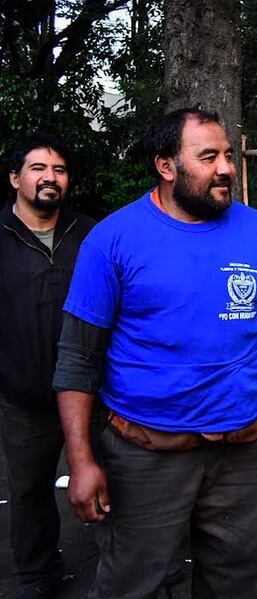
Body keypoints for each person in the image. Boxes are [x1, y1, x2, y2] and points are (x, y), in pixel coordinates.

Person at [52, 108, 257, 598]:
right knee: (132, 582)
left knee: (236, 582)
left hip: (244, 453)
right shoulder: (113, 239)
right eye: (208, 157)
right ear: (166, 166)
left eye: (227, 155)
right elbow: (77, 359)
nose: (226, 168)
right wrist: (81, 461)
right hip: (145, 454)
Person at [1, 134, 94, 599]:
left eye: (58, 170)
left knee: (111, 477)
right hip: (25, 396)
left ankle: (128, 566)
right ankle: (38, 576)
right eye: (38, 169)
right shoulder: (1, 236)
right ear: (16, 178)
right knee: (31, 491)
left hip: (93, 391)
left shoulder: (89, 234)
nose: (50, 178)